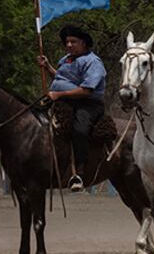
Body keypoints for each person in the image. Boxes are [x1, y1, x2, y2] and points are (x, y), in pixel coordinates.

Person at [37, 24, 107, 192]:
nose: (68, 45)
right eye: (67, 42)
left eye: (73, 42)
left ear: (83, 43)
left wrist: (59, 95)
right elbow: (62, 78)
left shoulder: (93, 62)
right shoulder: (66, 59)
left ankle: (79, 173)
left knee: (79, 130)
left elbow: (86, 90)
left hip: (87, 104)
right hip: (63, 101)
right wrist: (48, 68)